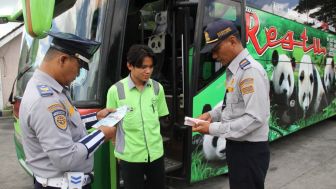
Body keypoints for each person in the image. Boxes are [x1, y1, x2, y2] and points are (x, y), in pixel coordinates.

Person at [19, 31, 116, 189]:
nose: (78, 75)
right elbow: (66, 158)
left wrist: (97, 117)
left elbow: (66, 124)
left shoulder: (53, 89)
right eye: (79, 67)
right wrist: (102, 134)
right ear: (63, 60)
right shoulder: (46, 100)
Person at [193, 20, 270, 189]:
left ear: (233, 41)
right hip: (237, 146)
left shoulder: (250, 72)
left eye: (216, 50)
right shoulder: (236, 71)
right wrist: (211, 115)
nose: (214, 57)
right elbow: (232, 105)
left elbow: (255, 118)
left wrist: (211, 129)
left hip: (249, 150)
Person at [106, 44, 169, 189]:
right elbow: (112, 126)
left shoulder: (158, 88)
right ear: (130, 66)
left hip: (156, 154)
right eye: (143, 67)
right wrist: (118, 152)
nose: (148, 71)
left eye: (151, 66)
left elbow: (160, 118)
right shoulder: (115, 91)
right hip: (130, 157)